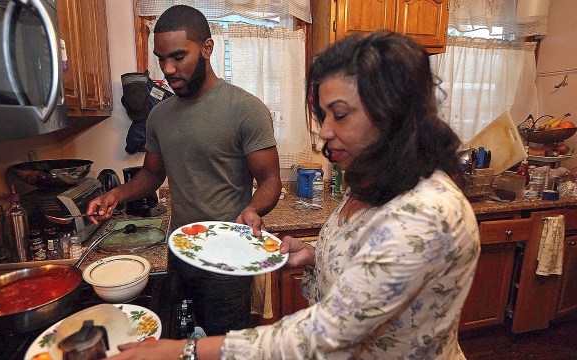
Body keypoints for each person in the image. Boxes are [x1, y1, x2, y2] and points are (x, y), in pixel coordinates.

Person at [108, 30, 480, 359]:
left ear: (394, 113)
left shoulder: (427, 213)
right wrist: (317, 257)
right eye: (323, 116)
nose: (325, 133)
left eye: (340, 114)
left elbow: (323, 336)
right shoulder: (374, 183)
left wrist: (181, 351)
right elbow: (368, 271)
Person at [86, 5, 282, 336]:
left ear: (207, 48)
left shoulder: (245, 110)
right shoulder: (159, 115)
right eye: (161, 58)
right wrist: (115, 195)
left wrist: (252, 209)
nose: (168, 68)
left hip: (227, 258)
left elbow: (270, 180)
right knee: (180, 340)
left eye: (178, 56)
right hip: (181, 251)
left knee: (221, 347)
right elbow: (151, 175)